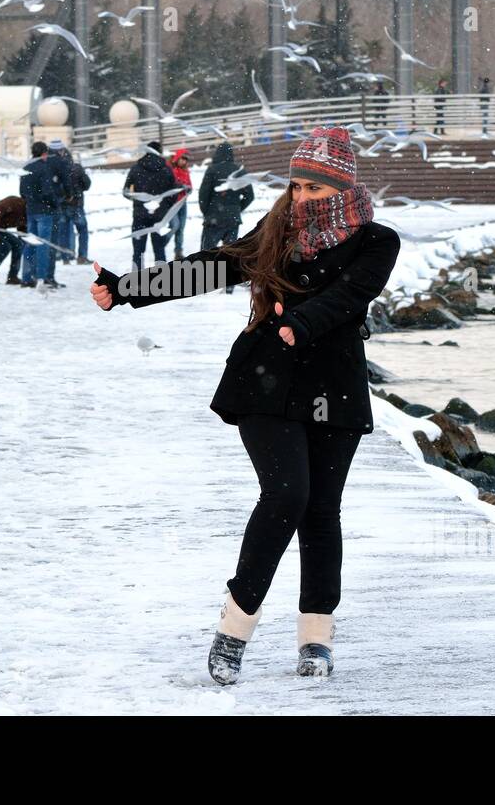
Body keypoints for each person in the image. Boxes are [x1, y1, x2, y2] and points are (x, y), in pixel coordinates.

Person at [90, 126, 401, 685]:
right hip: (266, 380)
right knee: (287, 494)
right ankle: (234, 631)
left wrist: (302, 322)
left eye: (312, 188)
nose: (301, 197)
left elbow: (351, 294)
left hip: (334, 385)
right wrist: (129, 288)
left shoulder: (378, 241)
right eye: (296, 185)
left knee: (321, 509)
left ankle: (316, 640)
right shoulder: (276, 230)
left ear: (341, 187)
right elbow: (216, 264)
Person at [198, 142, 253, 295]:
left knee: (207, 251)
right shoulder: (239, 171)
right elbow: (250, 196)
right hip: (232, 220)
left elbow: (203, 195)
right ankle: (229, 285)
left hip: (213, 219)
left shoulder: (212, 170)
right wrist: (236, 209)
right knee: (230, 253)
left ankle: (203, 283)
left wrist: (208, 212)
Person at [123, 140, 177, 271]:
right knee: (159, 250)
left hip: (140, 215)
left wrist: (139, 201)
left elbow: (125, 192)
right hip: (159, 215)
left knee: (138, 251)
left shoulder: (136, 168)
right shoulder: (166, 169)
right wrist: (164, 205)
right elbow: (173, 193)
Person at [19, 140, 65, 288]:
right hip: (45, 211)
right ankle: (42, 277)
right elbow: (47, 191)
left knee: (30, 243)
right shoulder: (43, 168)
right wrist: (55, 203)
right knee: (44, 245)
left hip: (31, 210)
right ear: (44, 154)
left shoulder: (26, 167)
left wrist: (31, 201)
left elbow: (22, 192)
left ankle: (26, 277)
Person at [45, 139, 73, 283]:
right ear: (61, 150)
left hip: (36, 206)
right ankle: (49, 276)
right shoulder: (60, 162)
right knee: (52, 241)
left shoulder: (39, 161)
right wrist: (68, 195)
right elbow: (67, 181)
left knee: (37, 243)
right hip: (54, 205)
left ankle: (32, 275)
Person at [62, 147, 91, 265]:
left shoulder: (57, 170)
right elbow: (87, 184)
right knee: (82, 231)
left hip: (63, 205)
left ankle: (66, 257)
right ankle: (82, 257)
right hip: (77, 205)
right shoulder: (77, 168)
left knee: (64, 232)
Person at [167, 147, 193, 260]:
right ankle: (162, 242)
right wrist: (180, 187)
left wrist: (188, 189)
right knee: (175, 226)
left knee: (181, 228)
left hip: (183, 203)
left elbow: (190, 185)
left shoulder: (186, 171)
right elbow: (169, 185)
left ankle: (178, 252)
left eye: (186, 159)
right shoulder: (171, 170)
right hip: (172, 203)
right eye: (182, 158)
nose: (184, 161)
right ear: (177, 158)